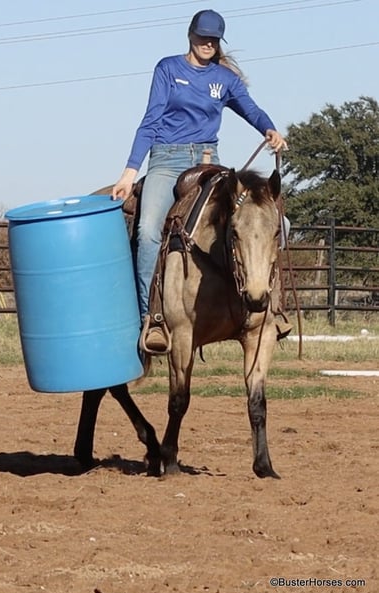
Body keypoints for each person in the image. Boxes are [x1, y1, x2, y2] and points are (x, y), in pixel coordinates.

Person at [113, 9, 290, 352]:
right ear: (190, 35)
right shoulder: (168, 69)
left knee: (276, 224)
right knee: (148, 231)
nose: (207, 43)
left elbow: (250, 108)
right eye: (202, 36)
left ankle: (271, 310)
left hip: (209, 161)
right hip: (167, 160)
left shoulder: (224, 79)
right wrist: (130, 172)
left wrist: (269, 128)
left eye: (213, 39)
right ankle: (153, 319)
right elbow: (150, 121)